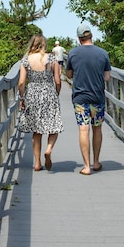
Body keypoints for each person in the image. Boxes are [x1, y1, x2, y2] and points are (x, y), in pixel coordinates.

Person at [64, 23, 111, 175]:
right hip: (97, 97)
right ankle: (96, 162)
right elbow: (107, 77)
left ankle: (86, 166)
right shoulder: (103, 53)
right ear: (91, 36)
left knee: (83, 129)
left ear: (79, 38)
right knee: (97, 128)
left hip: (80, 97)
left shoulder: (73, 53)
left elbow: (69, 75)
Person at [18, 34, 64, 171]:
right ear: (44, 44)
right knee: (54, 125)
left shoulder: (26, 60)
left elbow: (21, 82)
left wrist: (22, 98)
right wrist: (56, 93)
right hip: (49, 92)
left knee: (36, 131)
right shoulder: (52, 58)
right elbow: (58, 81)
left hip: (32, 93)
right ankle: (48, 149)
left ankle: (37, 163)